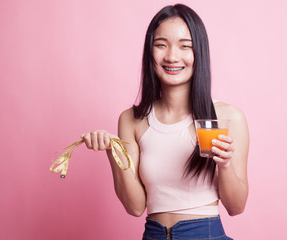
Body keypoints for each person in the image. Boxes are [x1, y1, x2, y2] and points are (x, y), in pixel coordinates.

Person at [81, 4, 249, 239]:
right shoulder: (132, 119)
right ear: (150, 52)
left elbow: (236, 207)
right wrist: (113, 150)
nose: (171, 56)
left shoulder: (222, 117)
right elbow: (135, 207)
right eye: (161, 45)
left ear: (199, 52)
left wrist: (225, 165)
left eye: (185, 46)